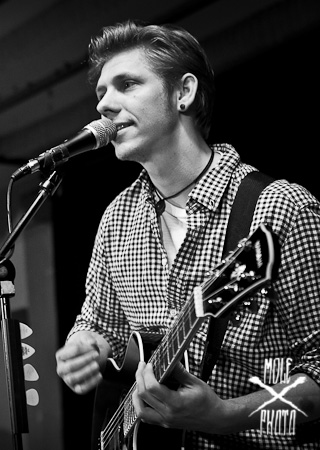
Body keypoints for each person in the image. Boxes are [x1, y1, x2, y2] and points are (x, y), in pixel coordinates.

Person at [54, 20, 320, 448]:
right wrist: (85, 345)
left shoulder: (280, 209)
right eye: (101, 92)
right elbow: (98, 324)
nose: (104, 105)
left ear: (184, 93)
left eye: (127, 84)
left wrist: (226, 415)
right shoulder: (117, 218)